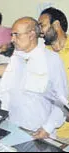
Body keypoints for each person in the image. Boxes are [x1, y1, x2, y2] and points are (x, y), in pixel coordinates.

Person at [0, 17, 68, 139]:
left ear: (31, 35)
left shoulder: (51, 60)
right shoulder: (16, 58)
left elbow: (62, 101)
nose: (12, 39)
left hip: (40, 132)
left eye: (16, 35)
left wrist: (48, 128)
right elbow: (6, 91)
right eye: (12, 35)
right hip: (14, 128)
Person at [38, 7, 69, 141]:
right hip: (47, 130)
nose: (40, 31)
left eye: (42, 25)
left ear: (56, 25)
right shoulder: (42, 55)